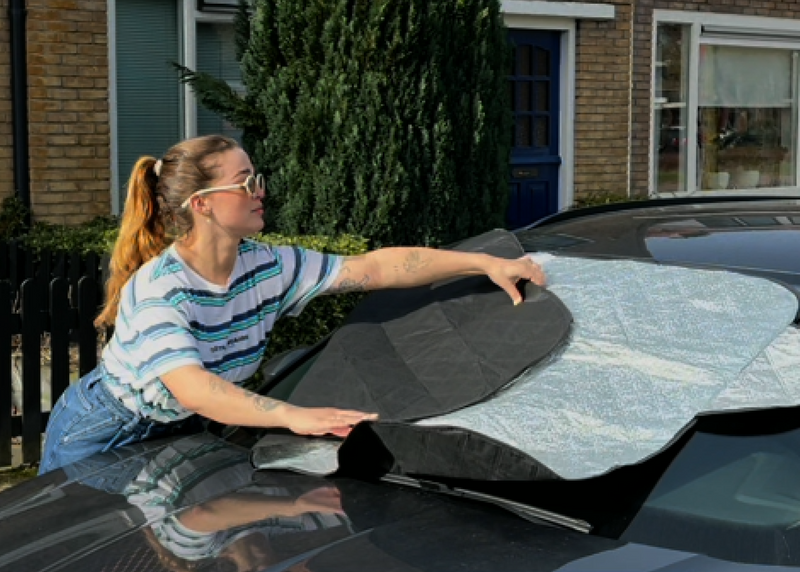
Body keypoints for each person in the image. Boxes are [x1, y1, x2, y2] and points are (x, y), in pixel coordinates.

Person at [39, 135, 545, 475]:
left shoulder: (267, 266)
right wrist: (293, 415)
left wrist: (482, 263)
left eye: (256, 178)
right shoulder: (159, 289)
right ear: (203, 204)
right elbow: (194, 389)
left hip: (185, 430)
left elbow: (375, 268)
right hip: (103, 431)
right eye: (245, 183)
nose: (260, 191)